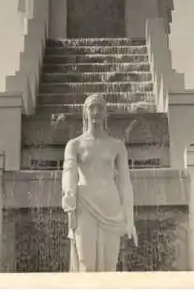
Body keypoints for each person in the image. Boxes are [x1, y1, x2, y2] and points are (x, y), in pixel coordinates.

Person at [61, 94, 138, 272]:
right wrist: (68, 192)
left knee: (110, 266)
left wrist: (130, 219)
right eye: (91, 107)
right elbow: (69, 171)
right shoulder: (74, 144)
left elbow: (125, 184)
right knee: (86, 264)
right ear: (85, 113)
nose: (96, 111)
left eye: (100, 107)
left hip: (111, 208)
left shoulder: (117, 146)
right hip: (84, 207)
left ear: (105, 113)